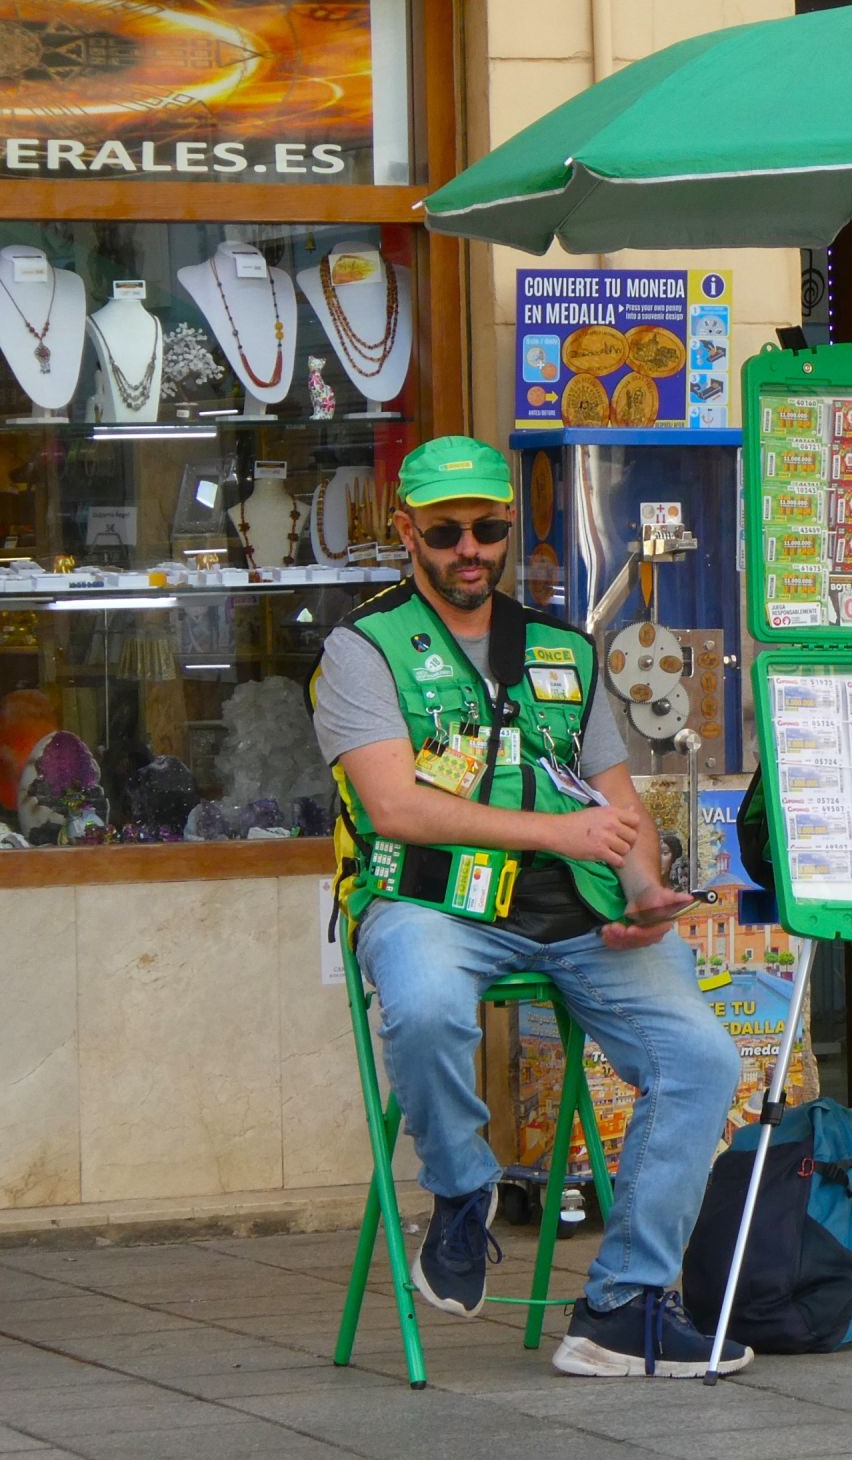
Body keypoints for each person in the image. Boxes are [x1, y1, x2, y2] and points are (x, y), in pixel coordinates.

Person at [310, 435, 749, 1379]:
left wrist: (647, 893)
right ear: (406, 533)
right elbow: (394, 806)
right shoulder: (361, 649)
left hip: (578, 914)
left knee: (705, 1062)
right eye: (446, 531)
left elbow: (615, 803)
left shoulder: (559, 648)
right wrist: (559, 837)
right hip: (429, 899)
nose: (470, 548)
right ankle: (464, 1189)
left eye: (489, 528)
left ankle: (623, 1305)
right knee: (425, 1007)